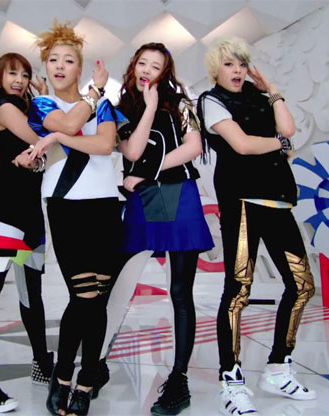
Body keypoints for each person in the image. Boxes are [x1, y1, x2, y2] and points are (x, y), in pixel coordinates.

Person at [197, 36, 316, 416]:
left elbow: (289, 130)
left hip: (278, 200)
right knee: (238, 290)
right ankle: (231, 381)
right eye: (229, 64)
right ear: (215, 69)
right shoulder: (211, 101)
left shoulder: (261, 97)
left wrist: (274, 91)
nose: (237, 71)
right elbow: (243, 145)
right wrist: (279, 143)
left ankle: (279, 367)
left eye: (242, 64)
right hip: (243, 202)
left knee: (302, 286)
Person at [26, 20, 125, 416]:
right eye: (53, 60)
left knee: (95, 299)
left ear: (80, 68)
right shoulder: (42, 105)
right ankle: (65, 375)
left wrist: (57, 139)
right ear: (46, 66)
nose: (60, 66)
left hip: (106, 206)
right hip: (66, 206)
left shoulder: (104, 107)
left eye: (68, 60)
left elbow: (105, 144)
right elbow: (69, 123)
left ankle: (84, 381)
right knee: (84, 295)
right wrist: (90, 98)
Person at [115, 42, 214, 416]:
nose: (146, 70)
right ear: (133, 66)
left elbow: (193, 147)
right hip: (142, 197)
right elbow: (130, 151)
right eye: (142, 63)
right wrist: (148, 108)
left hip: (178, 194)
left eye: (155, 66)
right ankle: (94, 367)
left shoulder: (182, 105)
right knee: (118, 283)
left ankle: (178, 379)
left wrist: (147, 173)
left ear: (165, 73)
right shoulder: (120, 109)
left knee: (180, 291)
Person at [0, 52, 51, 413]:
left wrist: (43, 100)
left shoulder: (27, 107)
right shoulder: (4, 108)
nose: (19, 79)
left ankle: (41, 362)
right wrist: (48, 105)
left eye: (25, 74)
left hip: (30, 212)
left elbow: (44, 149)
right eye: (12, 73)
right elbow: (43, 139)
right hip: (6, 211)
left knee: (32, 291)